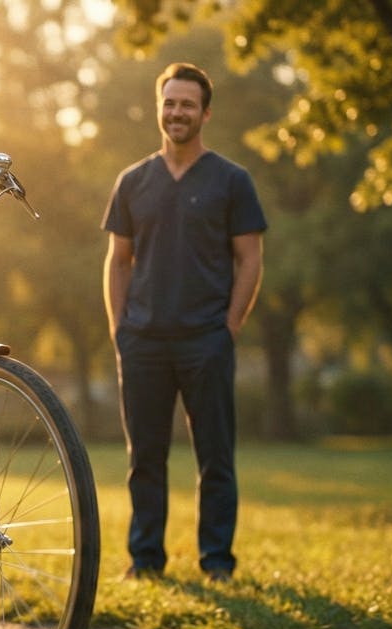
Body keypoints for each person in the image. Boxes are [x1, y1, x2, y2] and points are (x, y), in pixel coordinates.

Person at [101, 62, 266, 582]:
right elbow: (117, 260)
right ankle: (145, 561)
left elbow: (251, 259)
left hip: (206, 341)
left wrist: (230, 327)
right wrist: (119, 330)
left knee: (215, 459)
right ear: (159, 109)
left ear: (205, 112)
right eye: (169, 103)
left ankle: (217, 562)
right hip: (143, 340)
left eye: (187, 104)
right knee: (144, 459)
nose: (177, 113)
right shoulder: (133, 182)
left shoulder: (231, 180)